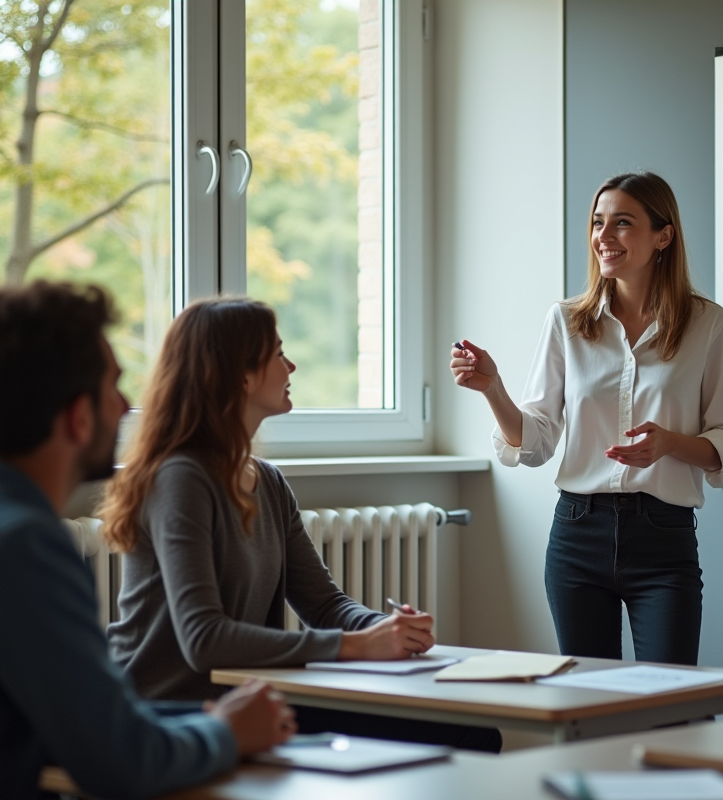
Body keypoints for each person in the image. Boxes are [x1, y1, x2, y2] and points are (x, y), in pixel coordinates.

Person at [103, 296, 500, 752]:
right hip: (166, 711)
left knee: (470, 731)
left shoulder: (267, 481)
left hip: (247, 700)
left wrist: (385, 629)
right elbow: (204, 640)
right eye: (277, 353)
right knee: (460, 736)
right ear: (241, 374)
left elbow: (325, 605)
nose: (290, 367)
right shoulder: (180, 478)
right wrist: (355, 647)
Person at [0, 281, 293, 800]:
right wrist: (225, 731)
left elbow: (79, 720)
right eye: (112, 386)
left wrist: (206, 719)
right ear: (79, 415)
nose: (128, 402)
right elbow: (121, 758)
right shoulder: (25, 547)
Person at [450, 171, 723, 665]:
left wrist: (669, 443)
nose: (603, 238)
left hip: (663, 537)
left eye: (622, 223)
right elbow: (537, 440)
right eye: (597, 222)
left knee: (666, 704)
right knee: (586, 702)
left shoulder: (709, 325)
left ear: (663, 235)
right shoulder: (566, 321)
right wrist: (492, 388)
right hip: (576, 535)